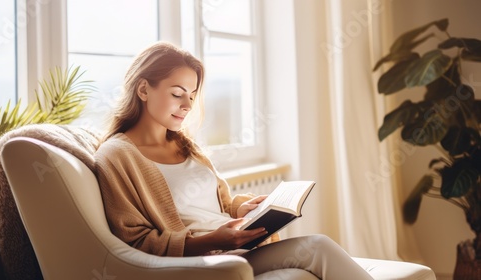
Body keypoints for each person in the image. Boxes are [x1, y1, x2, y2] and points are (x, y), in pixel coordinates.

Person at [94, 41, 373, 279]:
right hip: (203, 262)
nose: (188, 106)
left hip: (235, 248)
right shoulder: (117, 156)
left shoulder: (185, 145)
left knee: (315, 253)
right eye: (177, 93)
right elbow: (135, 242)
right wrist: (211, 241)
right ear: (143, 90)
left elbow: (219, 203)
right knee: (317, 248)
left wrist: (242, 210)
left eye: (192, 95)